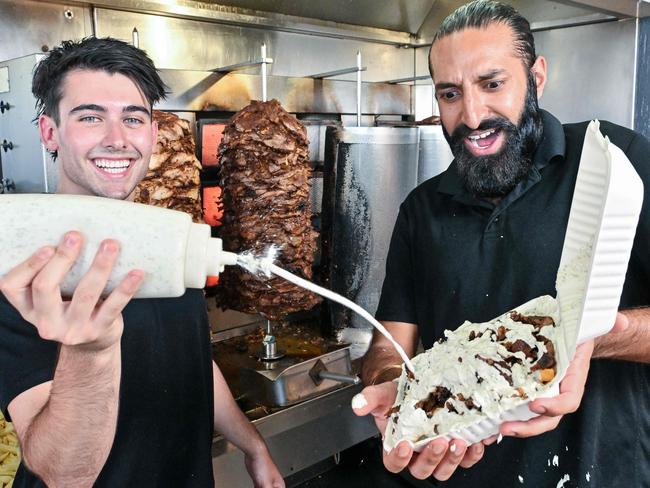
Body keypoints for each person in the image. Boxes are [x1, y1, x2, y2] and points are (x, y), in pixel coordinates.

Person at [354, 1, 650, 487]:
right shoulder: (421, 210)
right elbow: (389, 346)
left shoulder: (614, 163)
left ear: (536, 77)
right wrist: (393, 386)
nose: (472, 116)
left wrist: (590, 337)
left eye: (492, 84)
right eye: (450, 94)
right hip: (458, 471)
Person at [0, 37, 284, 488]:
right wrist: (89, 353)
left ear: (152, 133)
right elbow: (62, 474)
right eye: (90, 117)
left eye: (132, 119)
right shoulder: (20, 268)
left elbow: (192, 360)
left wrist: (253, 446)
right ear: (49, 131)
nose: (117, 140)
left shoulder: (169, 239)